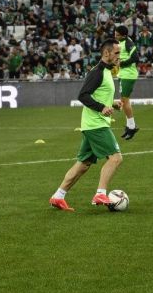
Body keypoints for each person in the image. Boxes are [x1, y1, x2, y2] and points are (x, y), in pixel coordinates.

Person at [49, 40, 124, 211]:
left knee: (83, 164)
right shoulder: (97, 72)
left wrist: (111, 104)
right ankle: (100, 193)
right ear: (107, 53)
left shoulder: (106, 72)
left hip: (92, 124)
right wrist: (101, 108)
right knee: (116, 158)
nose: (119, 56)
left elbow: (98, 96)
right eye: (117, 53)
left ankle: (58, 196)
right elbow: (83, 95)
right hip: (96, 125)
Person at [115, 25, 140, 140]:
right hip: (123, 74)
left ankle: (132, 126)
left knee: (124, 101)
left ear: (124, 35)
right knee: (124, 101)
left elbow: (135, 57)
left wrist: (122, 63)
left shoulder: (129, 43)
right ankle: (130, 126)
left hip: (128, 74)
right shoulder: (121, 42)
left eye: (118, 35)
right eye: (115, 33)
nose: (116, 36)